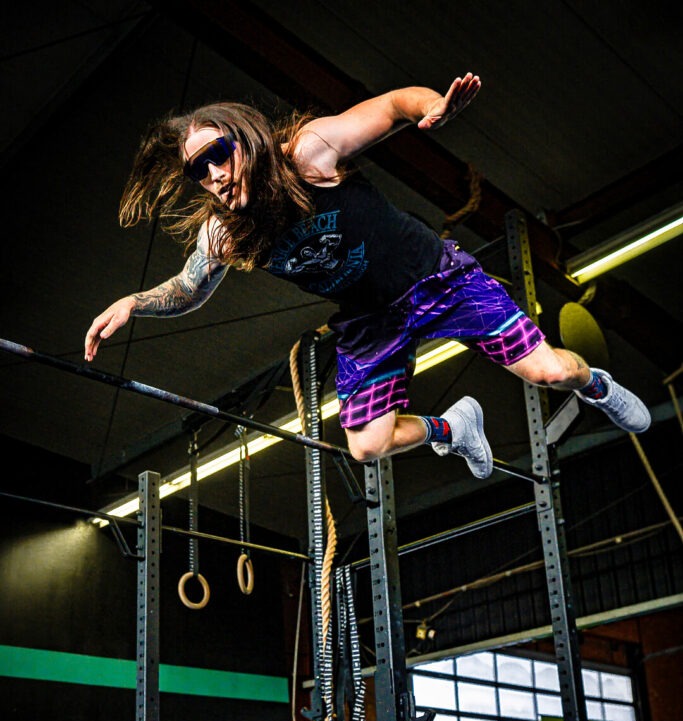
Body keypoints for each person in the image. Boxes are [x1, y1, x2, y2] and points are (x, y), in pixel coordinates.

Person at [84, 74, 650, 479]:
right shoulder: (224, 233)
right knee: (367, 446)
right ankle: (453, 430)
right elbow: (188, 289)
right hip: (368, 319)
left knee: (550, 373)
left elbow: (390, 105)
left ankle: (595, 385)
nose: (214, 174)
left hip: (435, 278)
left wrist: (433, 106)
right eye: (197, 170)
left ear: (244, 139)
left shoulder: (308, 154)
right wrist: (135, 302)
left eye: (218, 153)